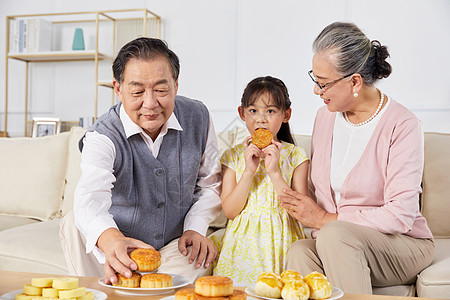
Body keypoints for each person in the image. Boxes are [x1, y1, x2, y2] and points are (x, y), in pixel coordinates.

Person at [279, 22, 434, 295]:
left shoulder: (403, 125)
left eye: (323, 83)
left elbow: (400, 215)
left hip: (400, 244)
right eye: (314, 79)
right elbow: (317, 193)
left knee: (334, 234)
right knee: (300, 251)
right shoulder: (324, 117)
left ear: (354, 81)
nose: (317, 90)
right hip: (336, 240)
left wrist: (328, 219)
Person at [59, 37, 223, 284]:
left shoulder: (197, 116)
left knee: (176, 280)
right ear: (118, 89)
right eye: (137, 92)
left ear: (176, 85)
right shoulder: (102, 135)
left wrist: (195, 227)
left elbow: (210, 184)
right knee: (73, 223)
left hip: (175, 243)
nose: (150, 104)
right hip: (116, 237)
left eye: (161, 90)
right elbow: (89, 197)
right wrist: (112, 239)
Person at [213, 76, 309, 286]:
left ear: (286, 115)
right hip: (242, 245)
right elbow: (229, 211)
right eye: (253, 111)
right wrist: (248, 171)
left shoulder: (296, 155)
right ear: (242, 113)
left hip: (282, 242)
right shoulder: (233, 156)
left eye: (270, 111)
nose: (261, 119)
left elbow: (301, 213)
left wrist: (274, 173)